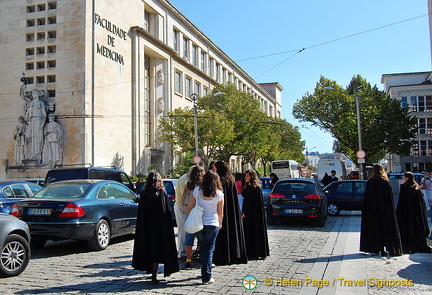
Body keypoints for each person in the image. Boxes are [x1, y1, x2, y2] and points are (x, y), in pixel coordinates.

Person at [132, 171, 179, 284]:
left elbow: (142, 213)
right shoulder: (162, 193)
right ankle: (154, 274)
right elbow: (166, 212)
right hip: (160, 228)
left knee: (150, 250)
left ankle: (152, 273)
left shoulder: (144, 194)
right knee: (158, 250)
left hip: (147, 228)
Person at [188, 171, 224, 284]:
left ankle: (204, 272)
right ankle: (206, 275)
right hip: (213, 223)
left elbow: (190, 207)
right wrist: (220, 223)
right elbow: (220, 212)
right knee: (209, 250)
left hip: (199, 223)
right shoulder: (219, 194)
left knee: (203, 248)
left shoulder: (197, 191)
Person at [360, 164, 402, 256]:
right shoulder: (385, 182)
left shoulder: (370, 183)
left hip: (373, 211)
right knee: (385, 229)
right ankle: (385, 248)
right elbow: (390, 199)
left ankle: (376, 248)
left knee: (375, 229)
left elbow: (366, 199)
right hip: (384, 212)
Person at [212, 160, 248, 265]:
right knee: (232, 230)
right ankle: (234, 254)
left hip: (221, 208)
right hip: (231, 210)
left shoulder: (219, 179)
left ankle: (222, 255)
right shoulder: (231, 179)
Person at [396, 172, 431, 254]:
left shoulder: (404, 187)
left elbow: (402, 202)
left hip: (406, 214)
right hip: (416, 215)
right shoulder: (416, 188)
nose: (403, 179)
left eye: (404, 177)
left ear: (407, 178)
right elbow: (420, 204)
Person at [242, 169, 269, 260]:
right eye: (245, 176)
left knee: (254, 232)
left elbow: (254, 204)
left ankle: (255, 252)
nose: (246, 178)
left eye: (247, 176)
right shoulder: (248, 187)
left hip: (253, 216)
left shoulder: (255, 188)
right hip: (248, 214)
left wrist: (246, 212)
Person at [183, 165, 205, 268]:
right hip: (201, 214)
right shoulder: (203, 186)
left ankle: (188, 258)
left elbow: (184, 199)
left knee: (189, 236)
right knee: (201, 237)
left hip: (190, 214)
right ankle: (200, 254)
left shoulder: (188, 185)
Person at [174, 167, 192, 258]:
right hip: (182, 206)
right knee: (183, 229)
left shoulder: (188, 179)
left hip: (188, 207)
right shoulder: (183, 180)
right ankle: (182, 251)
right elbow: (184, 197)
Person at [25, 89, 46, 163]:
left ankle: (37, 155)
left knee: (37, 138)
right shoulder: (30, 103)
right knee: (29, 137)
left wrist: (42, 123)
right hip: (31, 121)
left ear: (37, 94)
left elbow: (44, 114)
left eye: (34, 93)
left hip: (38, 120)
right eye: (32, 93)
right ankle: (30, 154)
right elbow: (27, 114)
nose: (33, 95)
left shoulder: (40, 103)